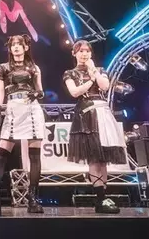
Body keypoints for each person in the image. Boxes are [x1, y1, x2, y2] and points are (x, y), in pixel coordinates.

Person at [63, 40, 126, 214]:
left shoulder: (100, 70)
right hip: (86, 116)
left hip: (103, 114)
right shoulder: (70, 73)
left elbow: (104, 86)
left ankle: (104, 196)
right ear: (74, 53)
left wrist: (94, 72)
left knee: (103, 158)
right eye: (81, 51)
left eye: (87, 51)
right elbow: (75, 92)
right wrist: (91, 80)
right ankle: (99, 198)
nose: (84, 54)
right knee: (93, 157)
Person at [0, 35, 45, 213]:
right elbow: (1, 92)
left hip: (31, 109)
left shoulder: (34, 68)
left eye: (19, 44)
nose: (16, 47)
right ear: (9, 48)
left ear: (25, 47)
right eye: (13, 45)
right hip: (13, 108)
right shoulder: (3, 67)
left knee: (34, 156)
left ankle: (33, 198)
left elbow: (40, 90)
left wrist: (37, 94)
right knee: (2, 154)